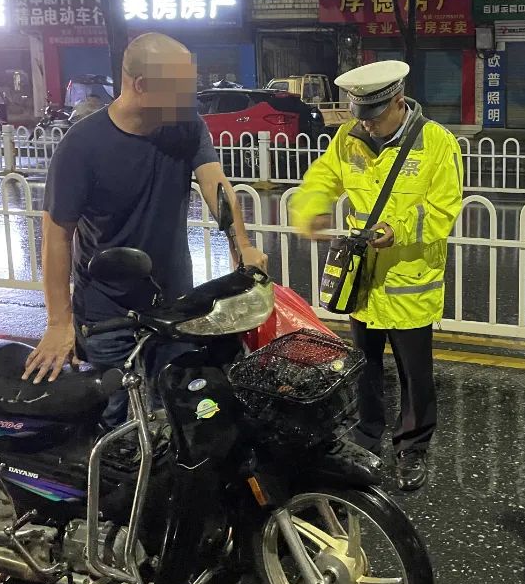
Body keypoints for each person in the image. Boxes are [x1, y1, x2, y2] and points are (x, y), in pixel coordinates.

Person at [23, 33, 267, 425]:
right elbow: (56, 235)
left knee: (182, 413)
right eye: (180, 88)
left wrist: (243, 247)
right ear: (141, 85)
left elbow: (216, 186)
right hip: (107, 315)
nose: (191, 98)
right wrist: (58, 323)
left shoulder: (185, 126)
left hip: (174, 304)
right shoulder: (82, 145)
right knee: (119, 424)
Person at [290, 60, 463, 492]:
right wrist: (310, 208)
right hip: (362, 277)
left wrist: (398, 229)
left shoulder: (436, 142)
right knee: (364, 366)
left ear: (398, 102)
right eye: (360, 115)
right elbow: (323, 177)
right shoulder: (349, 137)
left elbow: (443, 210)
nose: (366, 124)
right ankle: (367, 437)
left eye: (374, 115)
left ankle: (412, 447)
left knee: (414, 373)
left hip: (409, 280)